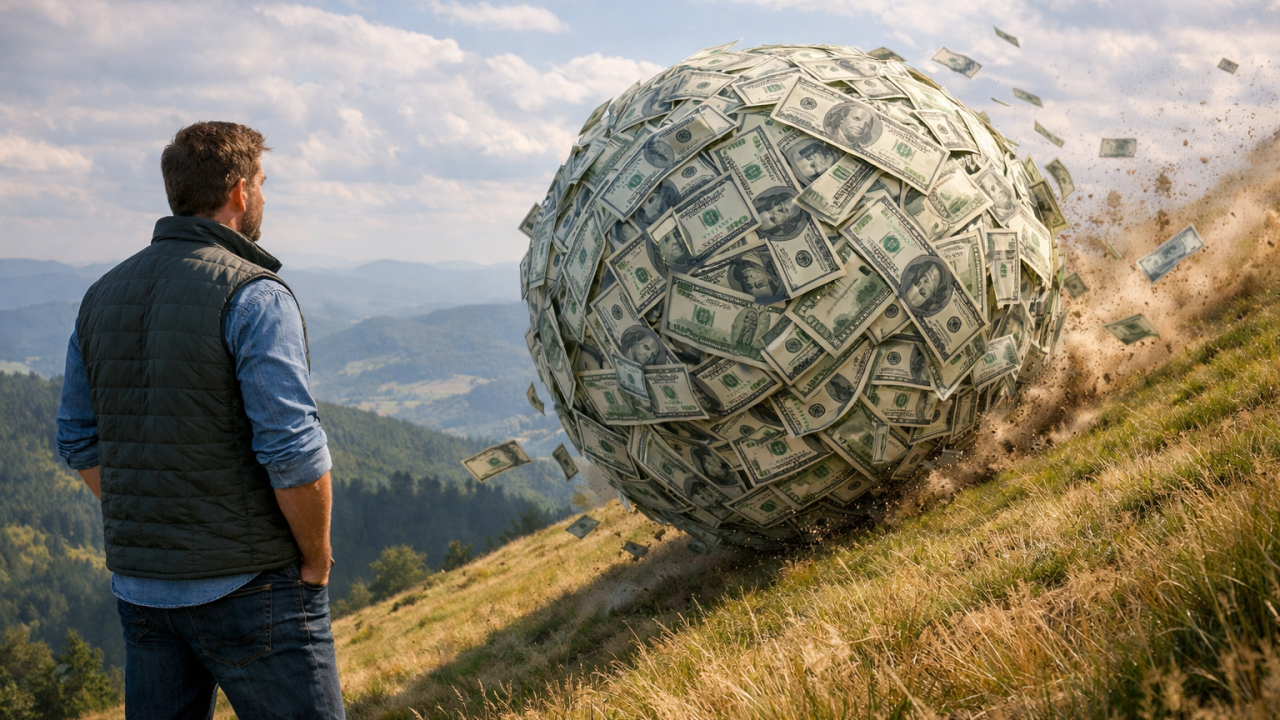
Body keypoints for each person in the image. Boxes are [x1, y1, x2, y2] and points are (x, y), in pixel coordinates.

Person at [55, 122, 344, 718]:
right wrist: (316, 559)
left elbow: (79, 441)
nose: (263, 194)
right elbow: (293, 452)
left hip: (143, 591)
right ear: (240, 191)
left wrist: (162, 516)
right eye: (262, 182)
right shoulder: (256, 294)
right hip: (252, 585)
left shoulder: (99, 296)